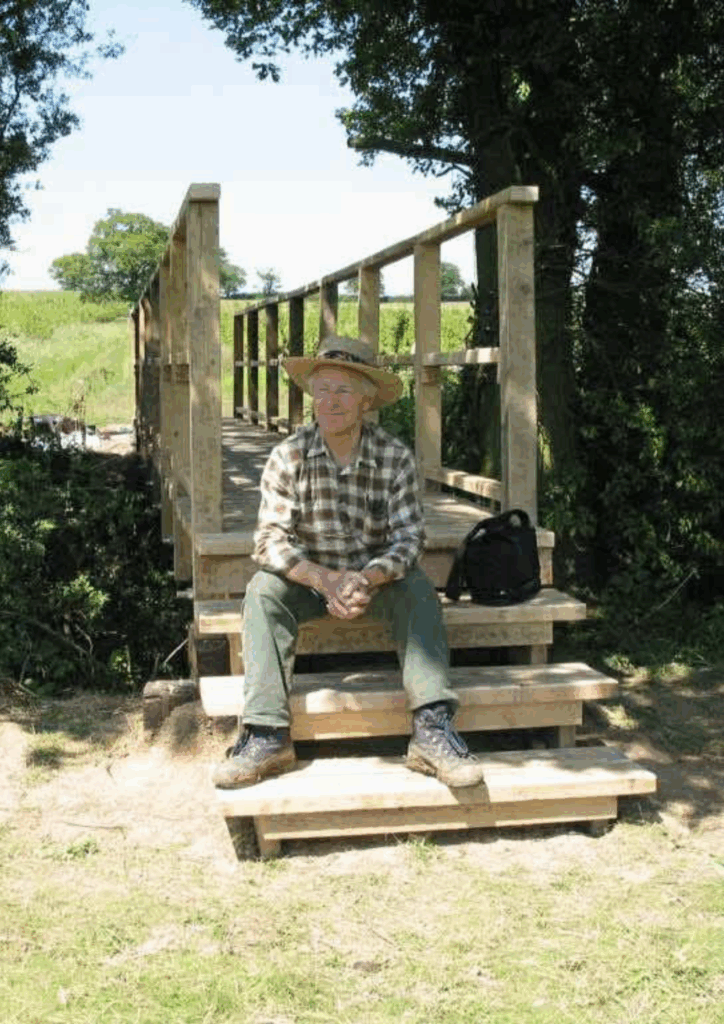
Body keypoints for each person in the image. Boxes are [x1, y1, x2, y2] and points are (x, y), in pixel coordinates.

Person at [212, 334, 485, 790]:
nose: (330, 401)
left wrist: (365, 577)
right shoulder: (288, 456)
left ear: (365, 401)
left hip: (373, 584)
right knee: (262, 590)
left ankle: (432, 730)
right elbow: (268, 541)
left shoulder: (394, 458)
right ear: (311, 397)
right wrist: (322, 578)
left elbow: (409, 540)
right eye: (322, 389)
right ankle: (266, 734)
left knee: (418, 588)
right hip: (309, 581)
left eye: (343, 390)